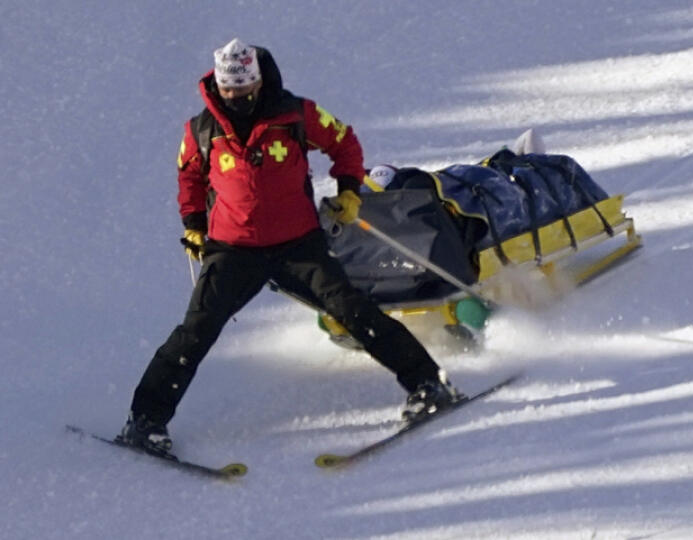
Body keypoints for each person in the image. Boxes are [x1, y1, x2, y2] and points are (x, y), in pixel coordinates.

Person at [119, 38, 462, 455]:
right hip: (233, 249)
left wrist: (349, 190)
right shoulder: (200, 129)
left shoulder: (296, 114)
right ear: (217, 86)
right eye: (229, 90)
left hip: (298, 243)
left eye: (244, 89)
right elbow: (189, 178)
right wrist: (193, 224)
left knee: (353, 310)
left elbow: (344, 142)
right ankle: (145, 421)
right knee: (196, 331)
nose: (236, 97)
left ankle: (428, 385)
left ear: (258, 83)